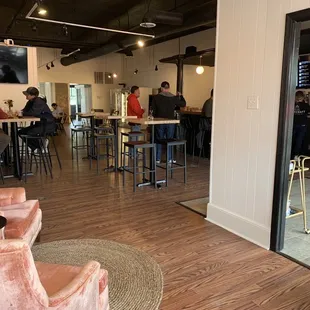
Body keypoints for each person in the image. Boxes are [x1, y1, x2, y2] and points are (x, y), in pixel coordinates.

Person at [152, 81, 186, 163]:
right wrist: (180, 96)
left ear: (161, 88)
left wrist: (155, 117)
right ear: (169, 88)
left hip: (159, 121)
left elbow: (153, 110)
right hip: (171, 121)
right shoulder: (173, 97)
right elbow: (183, 104)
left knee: (159, 139)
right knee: (169, 140)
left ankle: (157, 158)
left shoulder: (156, 97)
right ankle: (169, 158)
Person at [291, 90, 310, 159]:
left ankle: (291, 154)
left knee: (292, 139)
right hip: (302, 125)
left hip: (294, 124)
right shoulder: (305, 105)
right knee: (299, 140)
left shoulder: (292, 103)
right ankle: (296, 155)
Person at [127, 86, 144, 155]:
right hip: (135, 120)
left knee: (132, 137)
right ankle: (134, 153)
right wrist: (143, 110)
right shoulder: (133, 99)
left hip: (132, 120)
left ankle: (132, 153)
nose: (139, 92)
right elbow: (137, 110)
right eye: (138, 91)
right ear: (135, 91)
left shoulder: (131, 98)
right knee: (135, 138)